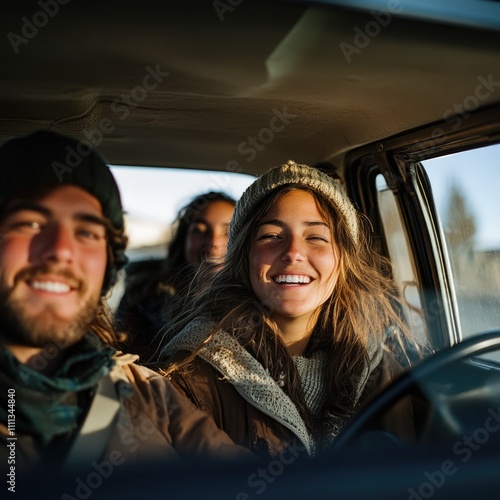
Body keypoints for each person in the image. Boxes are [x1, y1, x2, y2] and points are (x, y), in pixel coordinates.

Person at [0, 130, 251, 482]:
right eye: (31, 223)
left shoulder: (147, 392)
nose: (61, 250)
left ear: (108, 261)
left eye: (86, 232)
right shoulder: (142, 315)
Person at [158, 160, 425, 461]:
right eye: (271, 236)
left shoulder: (382, 368)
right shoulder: (191, 373)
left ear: (343, 259)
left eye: (316, 237)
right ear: (244, 257)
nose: (293, 252)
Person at [115, 191, 236, 360]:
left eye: (228, 232)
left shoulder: (259, 306)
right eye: (199, 230)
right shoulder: (142, 297)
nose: (214, 242)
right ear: (183, 240)